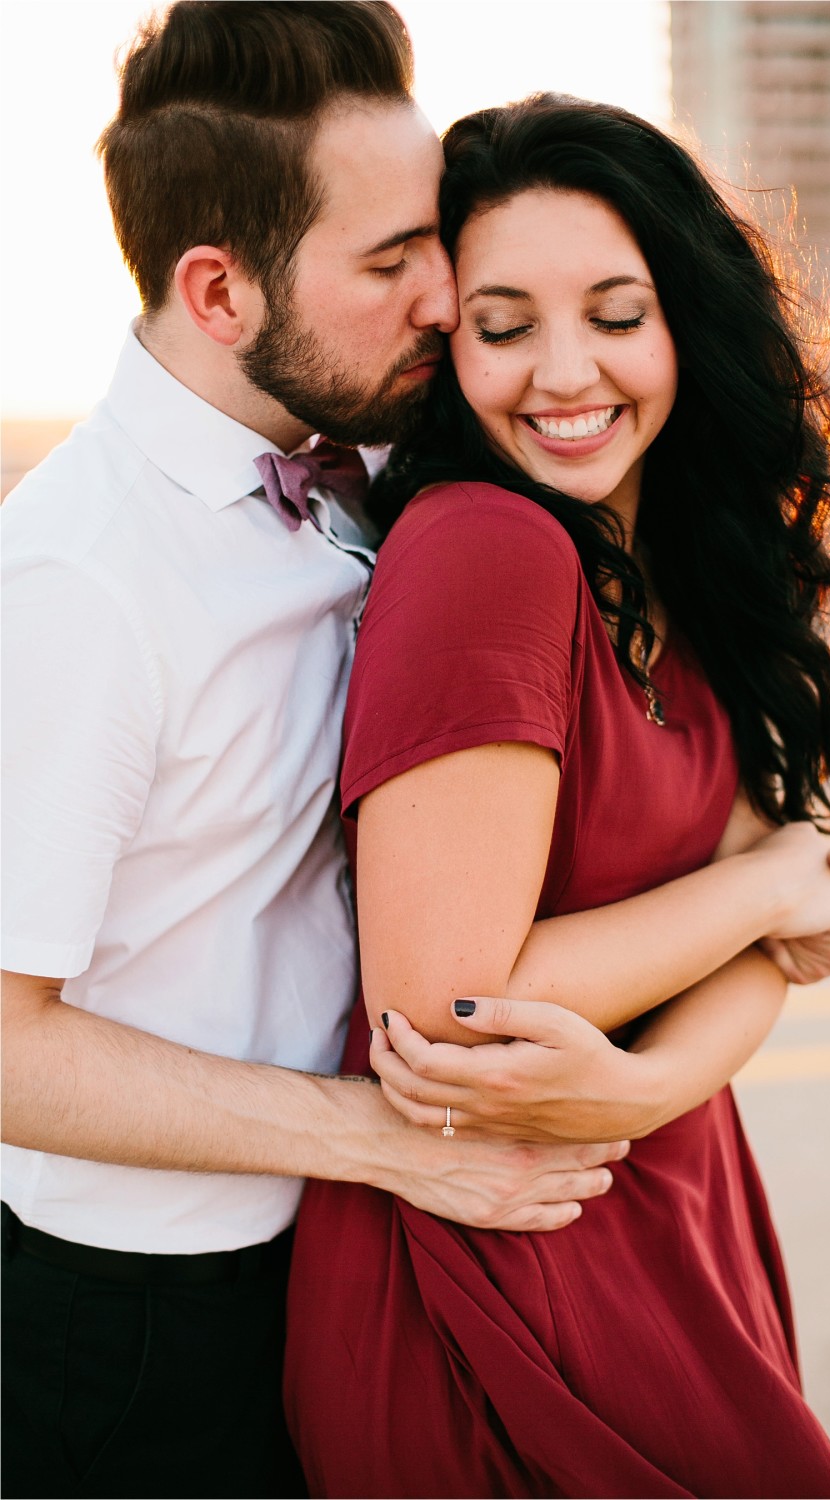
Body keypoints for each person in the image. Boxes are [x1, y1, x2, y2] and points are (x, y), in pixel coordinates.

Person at [0, 11, 636, 1498]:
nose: (445, 296)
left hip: (360, 1250)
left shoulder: (372, 459)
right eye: (390, 259)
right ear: (218, 291)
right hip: (149, 1318)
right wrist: (387, 1139)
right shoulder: (78, 583)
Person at [283, 95, 830, 1498]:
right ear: (448, 351)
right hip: (497, 1255)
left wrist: (648, 1078)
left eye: (617, 314)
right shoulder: (489, 548)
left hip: (648, 1181)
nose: (567, 374)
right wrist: (762, 891)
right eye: (504, 327)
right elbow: (449, 1006)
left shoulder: (673, 559)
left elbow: (781, 925)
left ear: (688, 320)